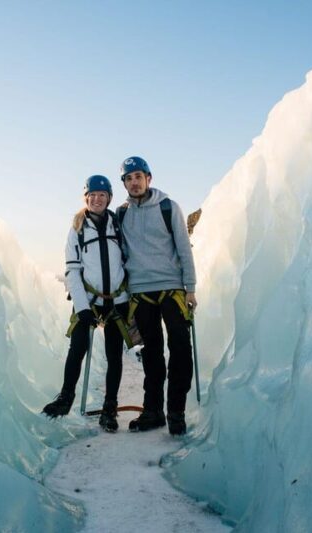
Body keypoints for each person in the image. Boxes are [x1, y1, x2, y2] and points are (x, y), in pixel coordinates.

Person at [42, 175, 130, 432]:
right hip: (88, 300)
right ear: (86, 198)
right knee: (78, 347)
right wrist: (81, 307)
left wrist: (125, 300)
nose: (97, 198)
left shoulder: (117, 224)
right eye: (92, 194)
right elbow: (72, 270)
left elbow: (126, 262)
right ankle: (65, 398)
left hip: (115, 300)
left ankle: (110, 408)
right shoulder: (77, 229)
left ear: (109, 198)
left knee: (115, 355)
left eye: (102, 194)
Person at [117, 156, 197, 436]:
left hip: (172, 288)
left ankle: (176, 411)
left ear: (149, 178)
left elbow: (184, 248)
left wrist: (190, 287)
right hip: (141, 292)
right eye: (129, 178)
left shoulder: (168, 207)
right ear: (124, 183)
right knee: (152, 354)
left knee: (180, 349)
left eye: (139, 176)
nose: (134, 182)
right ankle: (153, 412)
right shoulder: (122, 214)